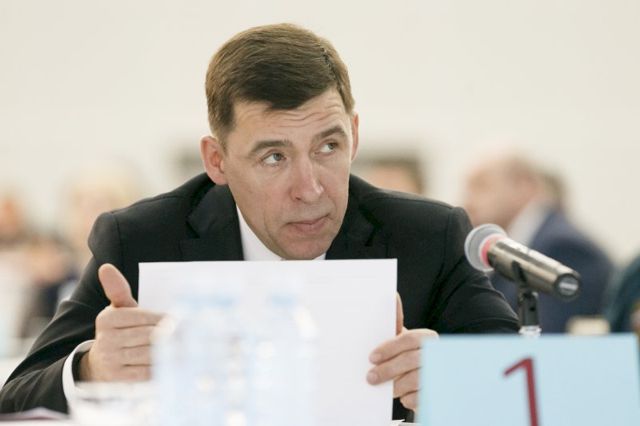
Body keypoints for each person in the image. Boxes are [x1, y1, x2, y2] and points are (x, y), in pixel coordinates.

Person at [0, 23, 519, 421]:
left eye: (329, 146)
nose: (310, 187)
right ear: (217, 160)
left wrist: (456, 378)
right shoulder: (142, 239)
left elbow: (522, 389)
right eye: (274, 157)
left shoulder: (427, 236)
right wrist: (92, 369)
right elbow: (15, 400)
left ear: (355, 135)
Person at [463, 152, 613, 333]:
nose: (467, 202)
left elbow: (547, 339)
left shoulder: (562, 247)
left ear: (524, 185)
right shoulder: (519, 243)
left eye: (481, 186)